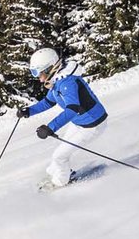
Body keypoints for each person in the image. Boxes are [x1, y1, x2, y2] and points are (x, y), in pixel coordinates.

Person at [16, 47, 108, 190]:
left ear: (50, 68)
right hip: (80, 123)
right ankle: (56, 174)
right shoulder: (57, 82)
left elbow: (73, 109)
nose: (39, 78)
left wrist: (50, 128)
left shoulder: (67, 83)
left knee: (59, 156)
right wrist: (29, 111)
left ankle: (61, 182)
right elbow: (48, 102)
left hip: (93, 125)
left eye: (39, 73)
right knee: (58, 157)